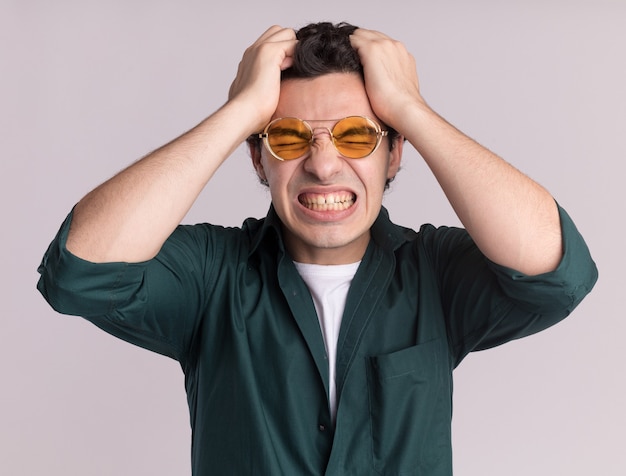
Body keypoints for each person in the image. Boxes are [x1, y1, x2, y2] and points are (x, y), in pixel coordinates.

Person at [37, 22, 598, 475]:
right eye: (287, 137)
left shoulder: (435, 274)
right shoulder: (212, 277)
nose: (324, 164)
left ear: (395, 155)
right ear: (258, 159)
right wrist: (239, 112)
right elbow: (79, 272)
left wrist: (411, 109)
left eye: (357, 136)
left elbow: (557, 272)